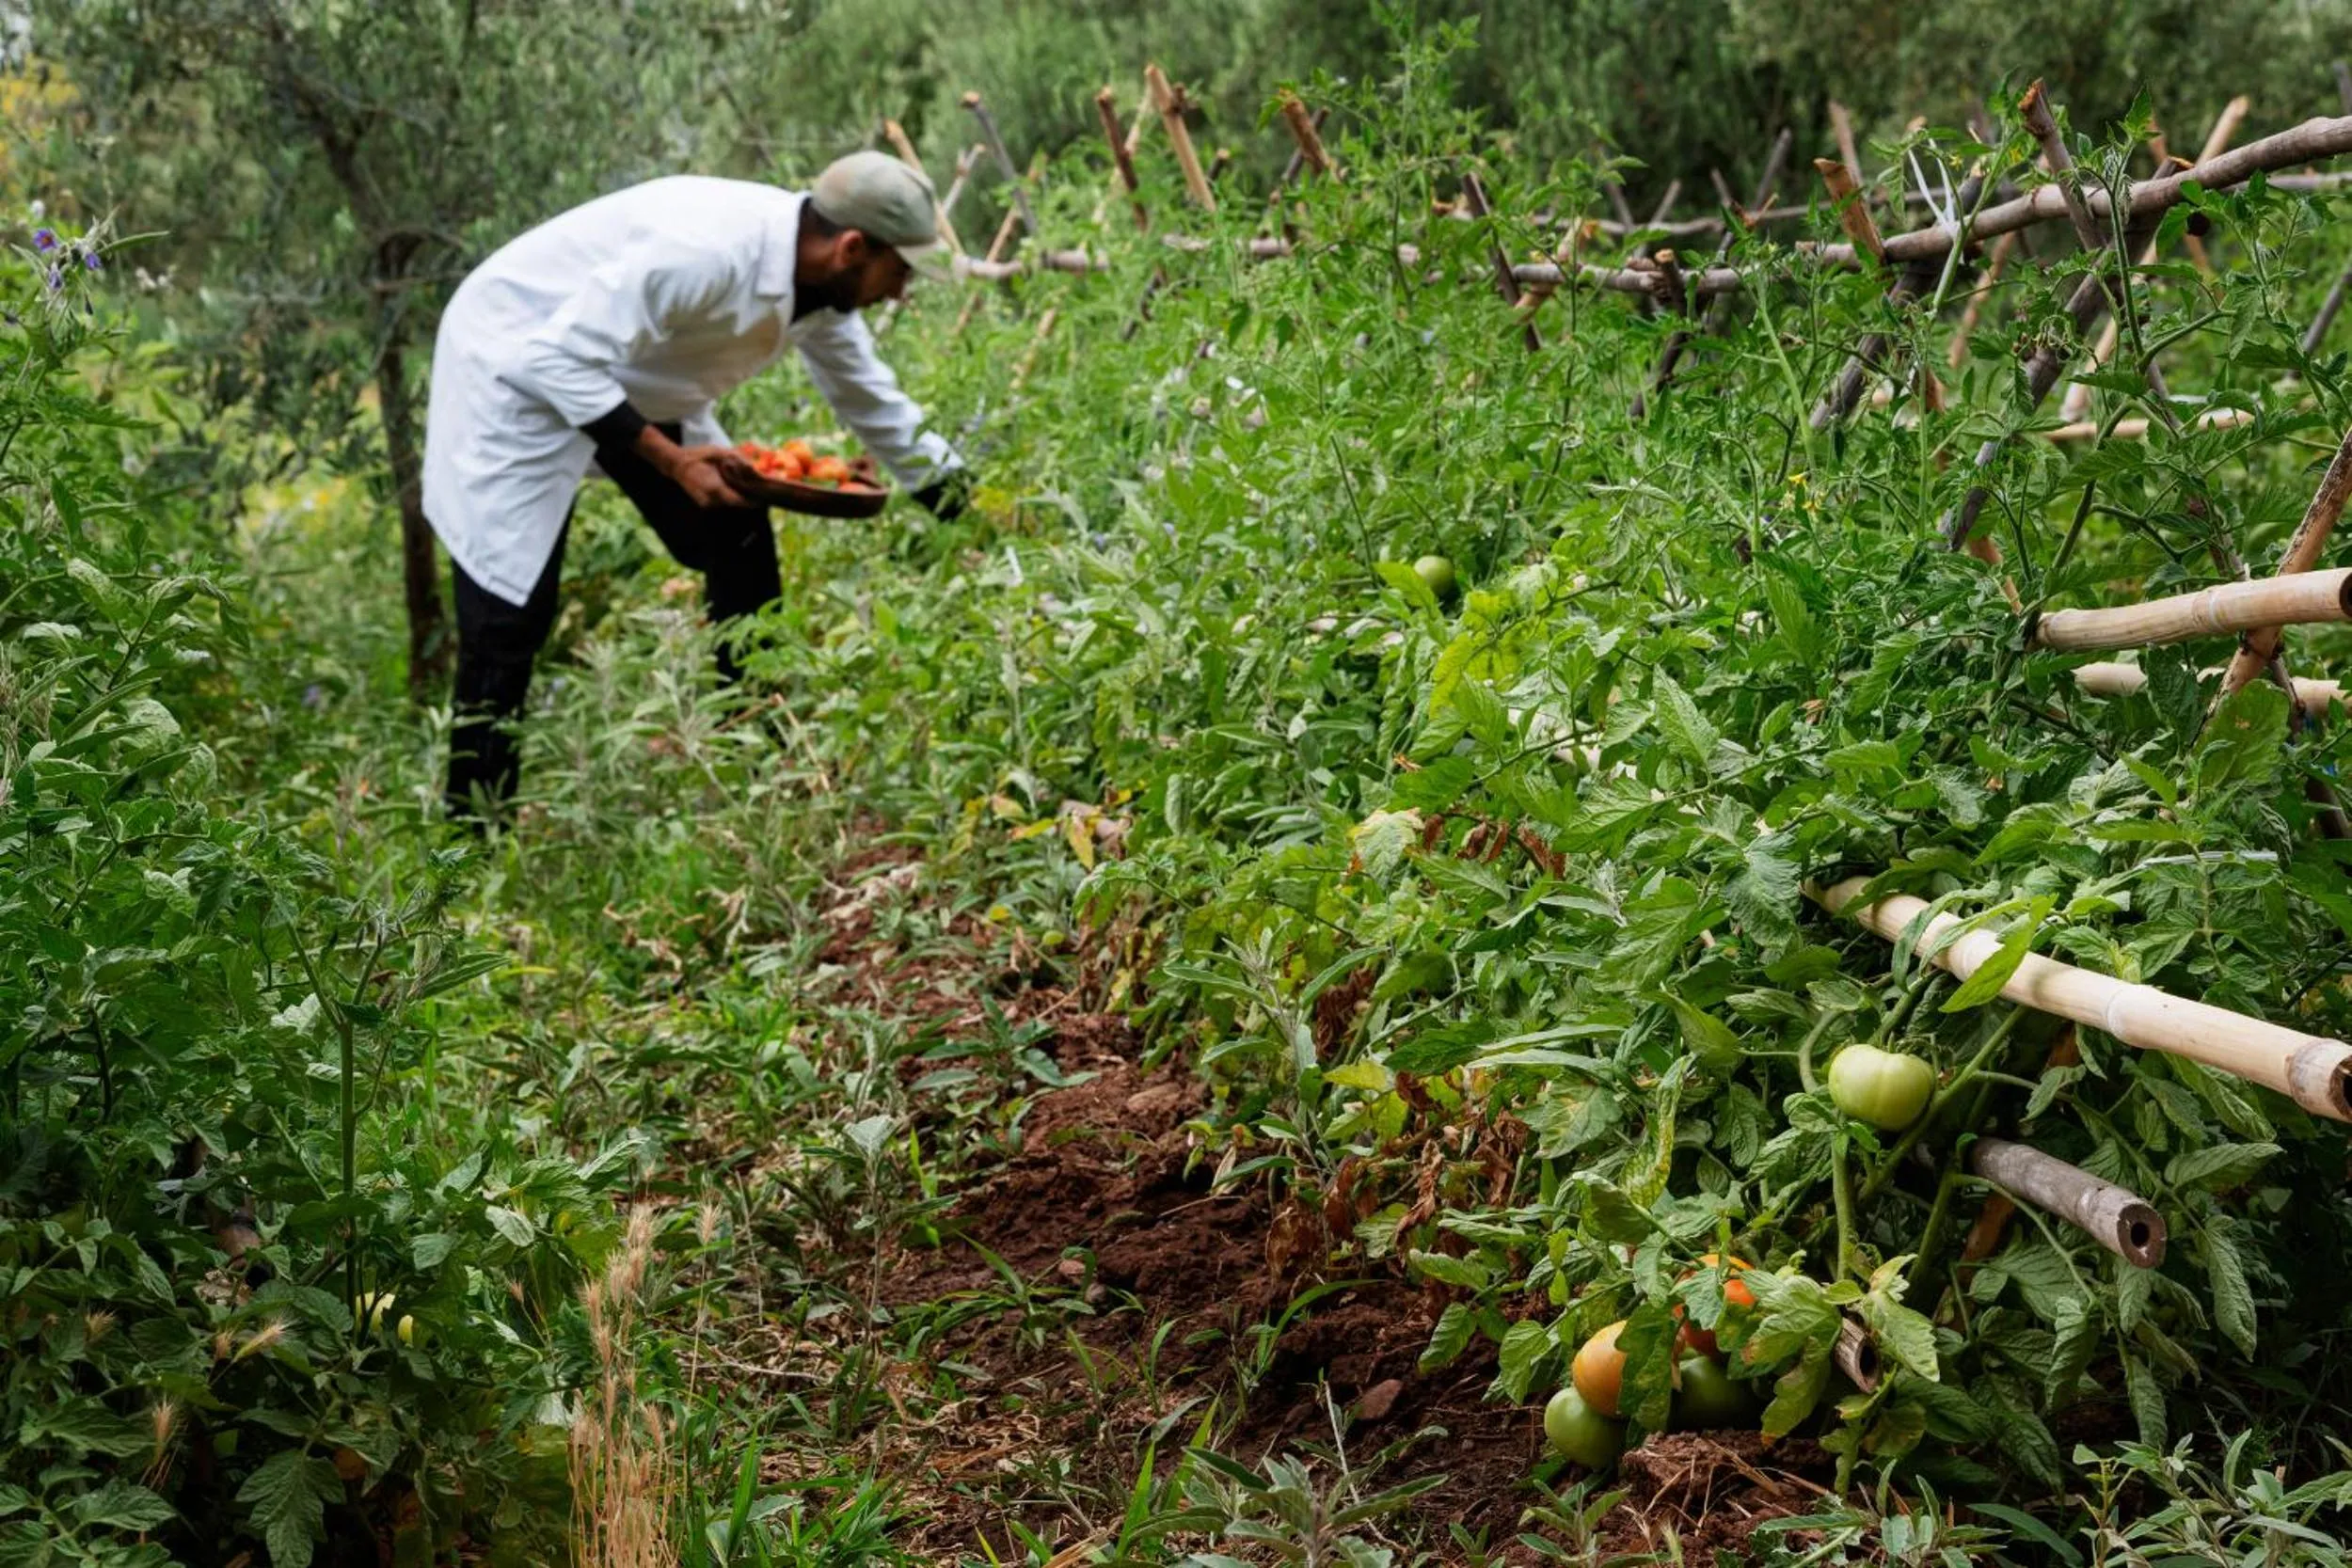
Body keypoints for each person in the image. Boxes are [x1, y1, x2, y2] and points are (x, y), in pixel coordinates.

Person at [421, 151, 971, 824]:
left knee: (736, 524)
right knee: (509, 614)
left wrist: (966, 509)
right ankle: (473, 839)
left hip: (625, 374)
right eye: (901, 270)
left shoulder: (823, 290)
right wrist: (673, 462)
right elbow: (553, 359)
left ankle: (757, 760)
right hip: (512, 366)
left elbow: (872, 401)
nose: (901, 291)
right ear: (853, 248)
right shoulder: (706, 251)